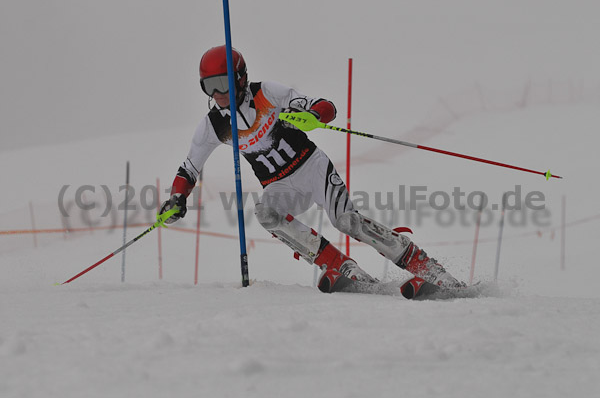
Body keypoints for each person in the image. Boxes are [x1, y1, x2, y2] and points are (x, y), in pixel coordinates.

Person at [159, 45, 465, 298]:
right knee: (266, 214)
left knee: (347, 222)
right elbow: (188, 169)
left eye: (222, 83)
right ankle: (339, 265)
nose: (218, 94)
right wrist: (177, 198)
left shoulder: (267, 93)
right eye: (209, 87)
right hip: (280, 186)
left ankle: (428, 268)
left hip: (312, 168)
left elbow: (325, 106)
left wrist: (311, 115)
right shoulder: (213, 125)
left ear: (240, 78)